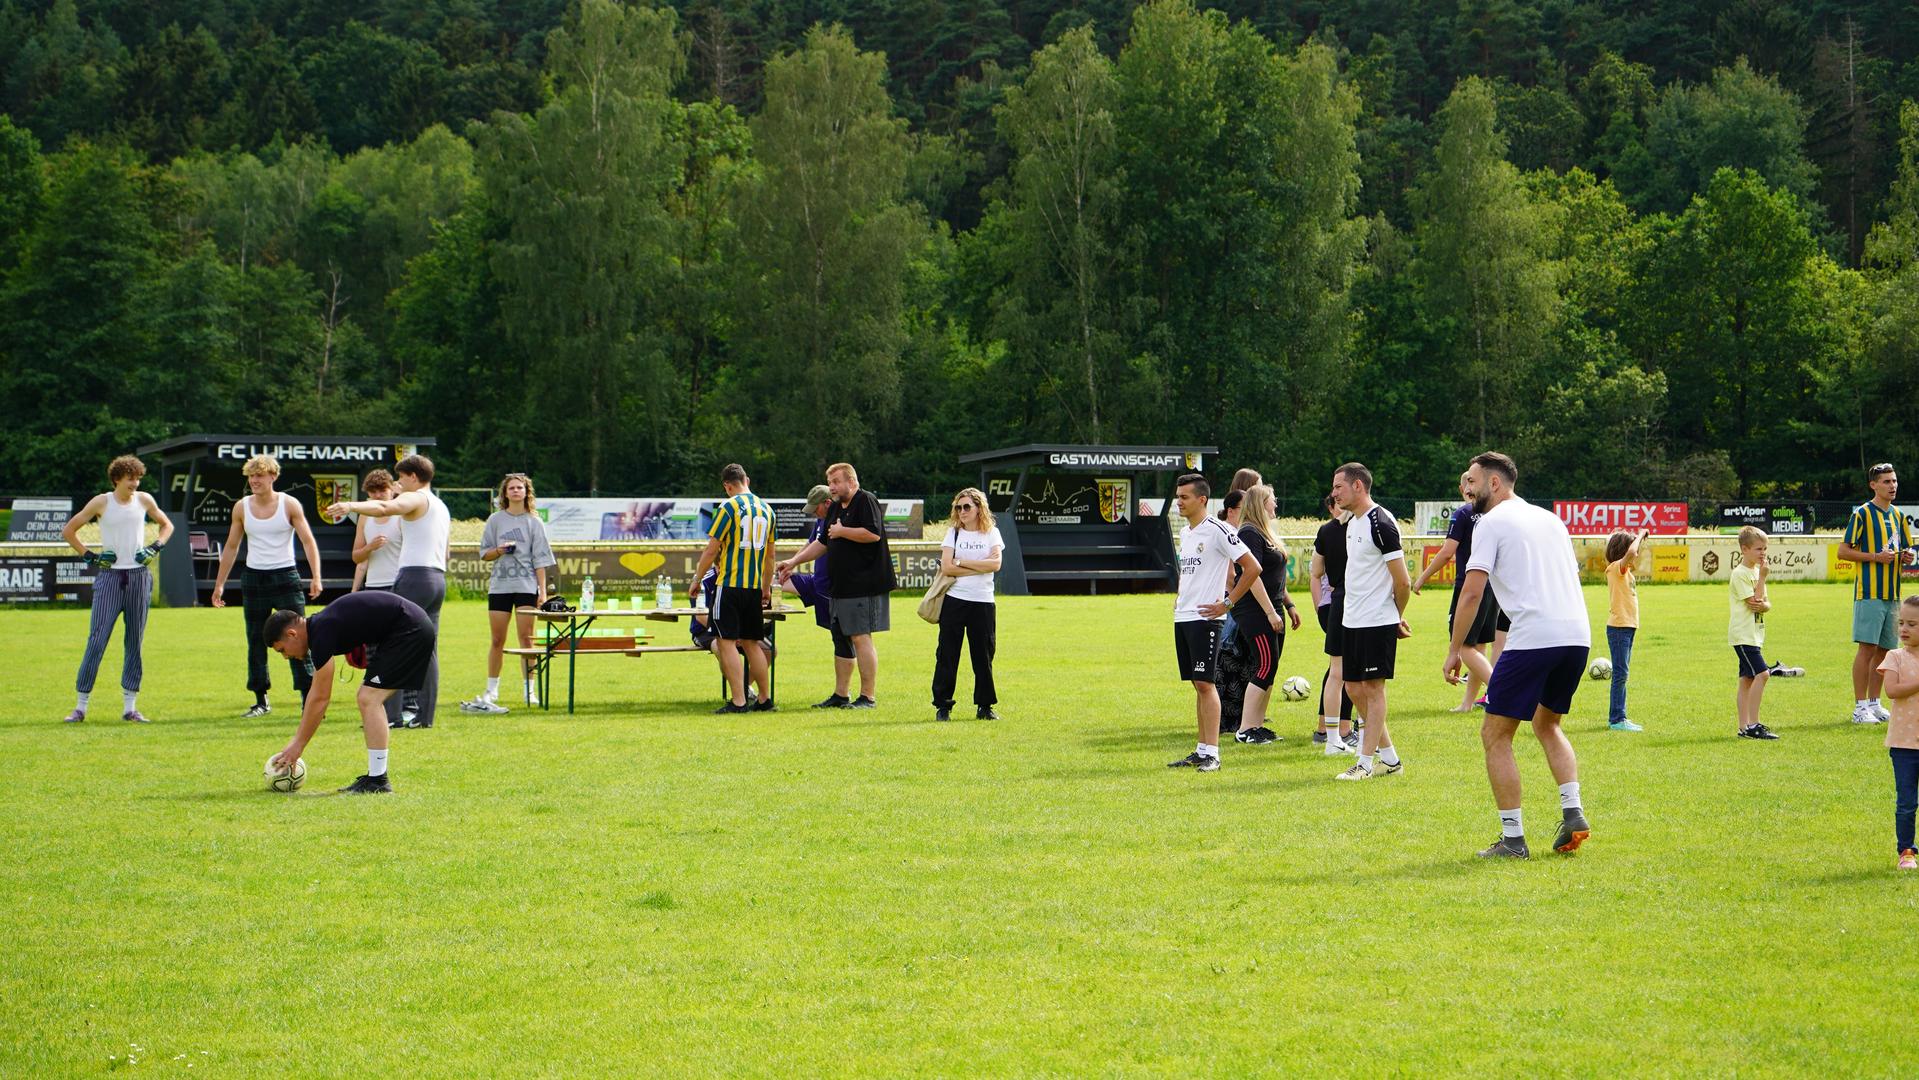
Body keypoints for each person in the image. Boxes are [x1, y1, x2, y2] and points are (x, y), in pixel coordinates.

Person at [1447, 451, 1590, 859]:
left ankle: (1513, 840)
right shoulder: (1551, 519)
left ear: (1495, 483)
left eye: (1472, 481)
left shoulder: (1490, 522)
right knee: (1547, 724)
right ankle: (1573, 812)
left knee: (1495, 734)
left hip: (1534, 637)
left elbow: (1472, 592)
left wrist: (1457, 649)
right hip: (1576, 635)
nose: (1467, 489)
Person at [263, 591, 438, 795]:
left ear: (292, 634)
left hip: (410, 629)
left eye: (282, 650)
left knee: (368, 698)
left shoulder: (321, 632)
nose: (286, 657)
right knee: (369, 698)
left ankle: (378, 780)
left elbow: (320, 697)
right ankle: (377, 778)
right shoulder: (320, 627)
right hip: (407, 628)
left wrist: (298, 744)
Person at [326, 454, 448, 729]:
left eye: (402, 478)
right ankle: (423, 718)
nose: (399, 484)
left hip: (414, 577)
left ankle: (390, 716)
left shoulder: (417, 497)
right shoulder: (440, 505)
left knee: (390, 644)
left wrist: (348, 504)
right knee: (428, 649)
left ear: (414, 477)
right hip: (437, 578)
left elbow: (383, 508)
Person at [1166, 473, 1266, 773]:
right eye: (1177, 496)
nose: (1178, 502)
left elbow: (1252, 567)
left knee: (1207, 684)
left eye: (1184, 497)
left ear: (1202, 500)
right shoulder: (1186, 534)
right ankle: (1201, 749)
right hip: (1184, 616)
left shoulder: (1218, 530)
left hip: (1207, 619)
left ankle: (1213, 754)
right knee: (1199, 685)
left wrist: (1228, 601)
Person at [61, 454, 173, 723]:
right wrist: (91, 557)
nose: (135, 483)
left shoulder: (145, 500)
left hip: (139, 578)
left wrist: (155, 547)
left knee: (134, 641)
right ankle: (80, 707)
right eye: (130, 479)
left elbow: (167, 525)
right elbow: (69, 530)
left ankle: (130, 708)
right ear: (116, 479)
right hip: (110, 578)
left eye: (138, 478)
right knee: (97, 640)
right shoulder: (102, 502)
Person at [210, 454, 324, 718]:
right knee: (255, 640)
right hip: (254, 578)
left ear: (273, 476)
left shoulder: (289, 504)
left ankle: (307, 698)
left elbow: (308, 540)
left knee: (300, 637)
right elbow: (231, 546)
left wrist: (316, 576)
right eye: (251, 476)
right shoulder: (241, 507)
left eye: (259, 475)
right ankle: (260, 700)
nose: (254, 481)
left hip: (285, 576)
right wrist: (219, 585)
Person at [778, 463, 894, 708]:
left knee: (861, 637)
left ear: (851, 482)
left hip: (864, 585)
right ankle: (841, 695)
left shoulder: (865, 500)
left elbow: (873, 534)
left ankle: (867, 697)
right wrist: (794, 561)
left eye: (836, 482)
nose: (831, 486)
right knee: (841, 638)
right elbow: (822, 543)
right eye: (829, 482)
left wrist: (843, 531)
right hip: (840, 586)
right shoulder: (834, 509)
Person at [1332, 463, 1410, 781]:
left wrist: (1395, 617)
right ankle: (1389, 759)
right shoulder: (1353, 523)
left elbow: (1402, 581)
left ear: (1358, 486)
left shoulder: (1381, 522)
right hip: (1353, 619)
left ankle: (1365, 763)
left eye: (1339, 487)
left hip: (1377, 620)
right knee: (1353, 688)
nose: (1334, 493)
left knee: (1374, 690)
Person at [462, 473, 556, 714]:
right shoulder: (495, 520)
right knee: (497, 640)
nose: (515, 491)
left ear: (526, 492)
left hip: (526, 586)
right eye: (511, 488)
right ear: (504, 493)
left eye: (520, 488)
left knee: (527, 639)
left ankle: (529, 690)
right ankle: (492, 689)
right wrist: (499, 550)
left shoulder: (534, 522)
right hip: (500, 586)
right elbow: (484, 554)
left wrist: (542, 592)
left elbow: (541, 560)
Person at [1411, 472, 1504, 712]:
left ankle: (1502, 693)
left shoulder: (1463, 514)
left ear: (1462, 488)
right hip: (1493, 587)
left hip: (1469, 585)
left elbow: (1446, 551)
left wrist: (1422, 578)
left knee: (1462, 645)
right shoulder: (1493, 513)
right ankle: (1467, 704)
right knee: (1479, 646)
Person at [691, 463, 778, 714]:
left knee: (726, 642)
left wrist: (697, 579)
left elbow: (712, 549)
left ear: (727, 486)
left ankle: (739, 701)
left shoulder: (728, 507)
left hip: (729, 585)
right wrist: (766, 587)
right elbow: (770, 557)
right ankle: (764, 698)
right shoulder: (767, 510)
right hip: (753, 588)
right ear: (746, 480)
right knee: (753, 643)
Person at [1838, 463, 1917, 726]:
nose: (1892, 486)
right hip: (1869, 592)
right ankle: (1859, 707)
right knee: (1867, 648)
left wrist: (1907, 556)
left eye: (1894, 481)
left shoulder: (1898, 516)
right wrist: (1875, 557)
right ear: (1873, 485)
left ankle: (1874, 703)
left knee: (1885, 650)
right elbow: (1843, 551)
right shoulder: (1862, 514)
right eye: (1886, 482)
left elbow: (1906, 549)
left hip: (1893, 594)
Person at [1230, 484, 1299, 744]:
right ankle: (1245, 729)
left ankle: (1257, 726)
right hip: (1255, 610)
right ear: (1261, 503)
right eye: (1272, 500)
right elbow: (1253, 577)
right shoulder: (1249, 532)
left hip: (1273, 607)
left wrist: (1289, 606)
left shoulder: (1263, 532)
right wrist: (1270, 612)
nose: (1276, 505)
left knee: (1271, 666)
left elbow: (1276, 577)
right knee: (1265, 664)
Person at [776, 485, 855, 707]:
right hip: (816, 582)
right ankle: (841, 695)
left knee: (843, 639)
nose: (813, 513)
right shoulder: (822, 520)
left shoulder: (838, 521)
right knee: (776, 580)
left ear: (827, 503)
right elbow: (811, 543)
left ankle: (844, 694)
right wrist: (792, 563)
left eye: (815, 509)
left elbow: (822, 546)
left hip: (834, 589)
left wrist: (793, 562)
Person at [932, 487, 1004, 722]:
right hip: (955, 600)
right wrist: (977, 564)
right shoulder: (953, 533)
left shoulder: (991, 533)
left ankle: (985, 706)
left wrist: (961, 560)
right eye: (958, 507)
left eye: (966, 507)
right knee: (947, 654)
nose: (961, 511)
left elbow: (995, 565)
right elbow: (947, 567)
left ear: (978, 508)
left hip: (983, 602)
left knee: (983, 656)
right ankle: (943, 706)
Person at [1309, 494, 1356, 754]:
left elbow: (1315, 574)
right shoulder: (1338, 530)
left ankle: (1332, 731)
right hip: (1347, 604)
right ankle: (1339, 730)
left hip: (1337, 603)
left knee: (1338, 669)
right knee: (1346, 671)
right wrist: (1319, 607)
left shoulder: (1328, 531)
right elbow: (1315, 575)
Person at [1875, 596, 1919, 870]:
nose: (1903, 628)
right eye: (1901, 622)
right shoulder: (1894, 657)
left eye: (1912, 624)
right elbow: (1891, 690)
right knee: (1906, 802)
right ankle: (1906, 850)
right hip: (1903, 745)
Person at [1730, 527, 1780, 741]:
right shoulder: (1740, 574)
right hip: (1743, 635)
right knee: (1763, 674)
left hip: (1754, 634)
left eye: (1765, 549)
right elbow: (1755, 604)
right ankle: (1753, 724)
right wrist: (1762, 578)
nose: (1763, 553)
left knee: (1746, 681)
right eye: (1759, 549)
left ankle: (1744, 727)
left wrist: (1765, 603)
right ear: (1744, 549)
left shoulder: (1755, 573)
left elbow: (1765, 604)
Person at [1603, 527, 1650, 731]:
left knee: (1623, 673)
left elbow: (1633, 554)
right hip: (1619, 628)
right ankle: (1616, 719)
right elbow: (1632, 553)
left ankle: (1620, 717)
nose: (1636, 554)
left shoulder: (1626, 571)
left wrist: (1641, 540)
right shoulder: (1616, 567)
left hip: (1628, 627)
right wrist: (1640, 534)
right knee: (1621, 674)